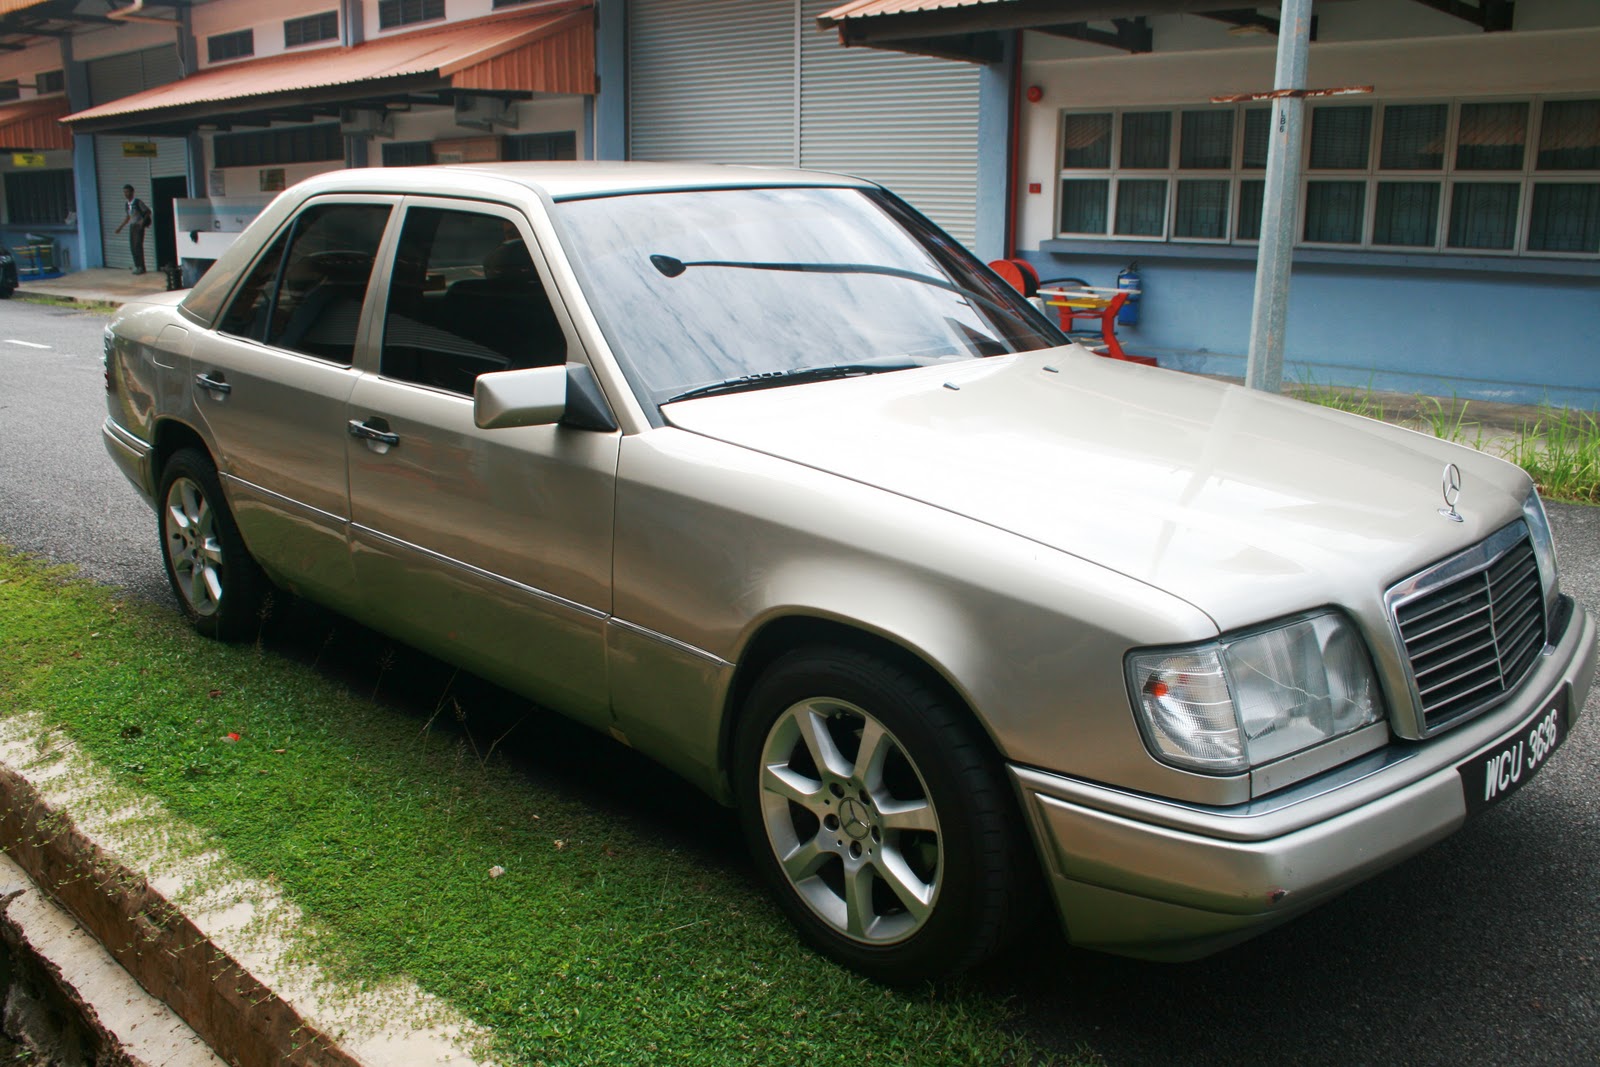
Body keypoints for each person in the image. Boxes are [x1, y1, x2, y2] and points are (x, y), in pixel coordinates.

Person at [112, 184, 151, 275]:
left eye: (127, 191)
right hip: (132, 226)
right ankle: (137, 266)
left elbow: (148, 211)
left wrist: (142, 222)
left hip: (138, 226)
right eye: (124, 192)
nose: (126, 194)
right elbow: (128, 217)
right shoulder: (127, 204)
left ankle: (141, 267)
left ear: (132, 192)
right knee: (133, 247)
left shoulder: (137, 202)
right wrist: (120, 228)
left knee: (138, 246)